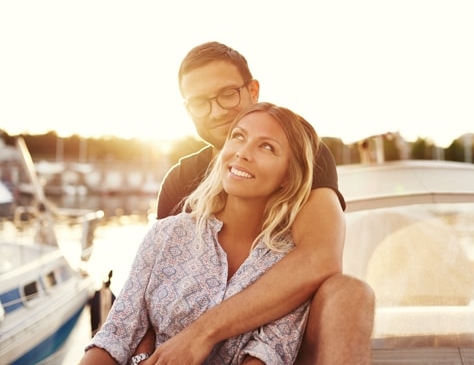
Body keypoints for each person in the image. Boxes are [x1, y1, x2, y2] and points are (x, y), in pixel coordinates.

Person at [150, 42, 374, 364]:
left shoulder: (304, 157)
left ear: (252, 90)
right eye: (199, 103)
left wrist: (203, 333)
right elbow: (151, 286)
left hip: (284, 342)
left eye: (227, 94)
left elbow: (320, 259)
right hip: (187, 350)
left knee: (350, 294)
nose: (215, 112)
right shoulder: (178, 181)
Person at [81, 103, 322, 364]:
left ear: (288, 175)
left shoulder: (289, 268)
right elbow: (113, 338)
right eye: (238, 137)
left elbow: (267, 356)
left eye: (267, 146)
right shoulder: (166, 234)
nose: (242, 153)